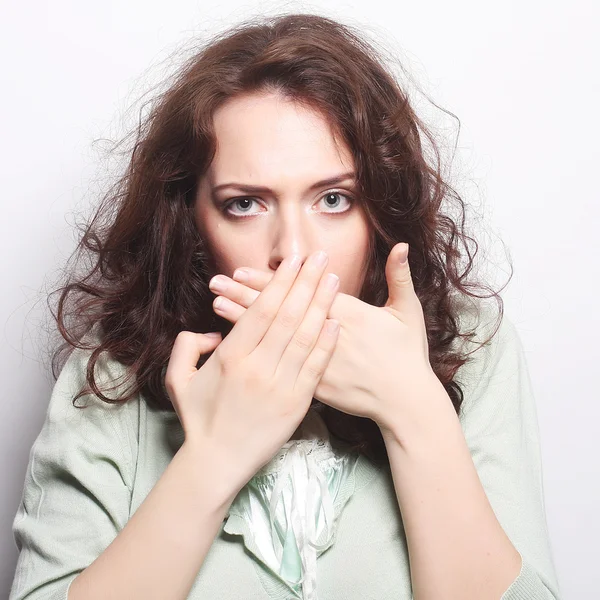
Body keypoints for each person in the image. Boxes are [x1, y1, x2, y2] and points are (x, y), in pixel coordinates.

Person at [8, 12, 562, 600]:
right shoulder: (109, 373)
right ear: (189, 218)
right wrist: (214, 458)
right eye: (246, 204)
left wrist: (415, 412)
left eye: (333, 199)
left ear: (379, 208)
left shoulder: (472, 345)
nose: (292, 252)